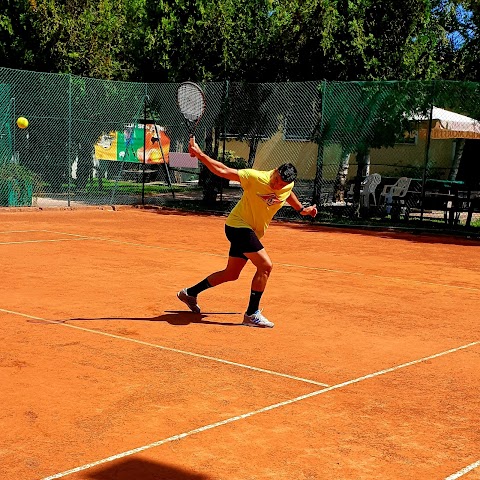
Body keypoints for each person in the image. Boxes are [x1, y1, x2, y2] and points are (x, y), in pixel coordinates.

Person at [177, 137, 318, 328]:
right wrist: (201, 155)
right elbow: (223, 171)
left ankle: (190, 293)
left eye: (281, 184)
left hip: (250, 231)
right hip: (238, 226)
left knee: (231, 274)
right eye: (276, 180)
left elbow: (288, 194)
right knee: (266, 266)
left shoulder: (287, 185)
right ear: (275, 171)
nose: (277, 186)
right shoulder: (255, 177)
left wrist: (302, 210)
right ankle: (252, 314)